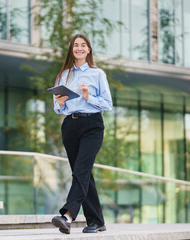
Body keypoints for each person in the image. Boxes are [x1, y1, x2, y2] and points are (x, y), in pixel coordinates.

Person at [51, 33, 112, 234]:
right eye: (75, 45)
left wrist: (89, 96)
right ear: (72, 49)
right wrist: (59, 104)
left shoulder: (97, 74)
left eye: (83, 45)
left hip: (92, 125)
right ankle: (96, 221)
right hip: (70, 125)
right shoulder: (63, 75)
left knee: (81, 171)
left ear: (89, 49)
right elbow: (58, 107)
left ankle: (67, 216)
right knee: (83, 173)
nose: (79, 48)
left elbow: (107, 104)